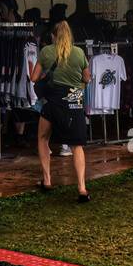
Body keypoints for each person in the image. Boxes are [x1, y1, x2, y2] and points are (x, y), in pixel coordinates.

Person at [30, 21, 91, 202]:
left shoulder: (46, 52)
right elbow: (87, 78)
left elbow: (34, 78)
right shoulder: (79, 53)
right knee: (76, 146)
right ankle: (81, 187)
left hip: (53, 103)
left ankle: (47, 180)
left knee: (42, 138)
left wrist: (46, 75)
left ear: (53, 36)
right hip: (74, 103)